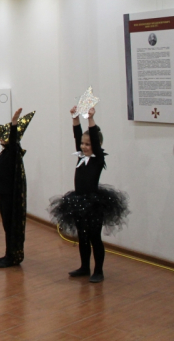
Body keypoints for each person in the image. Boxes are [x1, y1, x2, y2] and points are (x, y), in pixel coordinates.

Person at [49, 106, 129, 284]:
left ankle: (98, 270)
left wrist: (90, 119)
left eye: (88, 144)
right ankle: (84, 267)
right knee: (82, 236)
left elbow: (93, 137)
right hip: (78, 202)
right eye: (83, 144)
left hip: (93, 204)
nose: (84, 147)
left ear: (96, 145)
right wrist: (75, 118)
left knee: (94, 237)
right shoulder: (80, 156)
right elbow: (77, 135)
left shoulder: (98, 159)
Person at [0, 108, 35, 268]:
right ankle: (8, 254)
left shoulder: (13, 151)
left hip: (11, 196)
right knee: (6, 226)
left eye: (3, 136)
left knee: (11, 226)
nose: (0, 138)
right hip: (4, 194)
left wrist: (14, 123)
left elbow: (14, 139)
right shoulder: (6, 152)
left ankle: (13, 257)